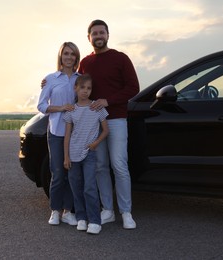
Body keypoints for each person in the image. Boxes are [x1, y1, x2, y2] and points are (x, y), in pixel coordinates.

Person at [78, 19, 140, 229]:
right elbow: (77, 86)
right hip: (94, 124)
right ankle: (108, 210)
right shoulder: (85, 63)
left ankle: (126, 212)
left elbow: (133, 87)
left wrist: (108, 100)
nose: (98, 36)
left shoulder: (120, 58)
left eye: (101, 32)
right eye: (94, 33)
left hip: (116, 120)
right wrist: (48, 82)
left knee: (119, 165)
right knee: (101, 166)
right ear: (89, 38)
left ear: (108, 35)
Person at [37, 42, 80, 226]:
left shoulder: (81, 79)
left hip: (76, 133)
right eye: (66, 54)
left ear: (76, 58)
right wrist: (61, 108)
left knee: (72, 173)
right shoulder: (51, 79)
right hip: (56, 132)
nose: (69, 57)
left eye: (72, 54)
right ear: (60, 56)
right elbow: (41, 106)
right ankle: (55, 210)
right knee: (57, 173)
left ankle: (68, 211)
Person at [63, 74, 109, 235]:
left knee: (89, 187)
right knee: (76, 187)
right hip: (73, 155)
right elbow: (67, 136)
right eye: (82, 87)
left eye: (89, 88)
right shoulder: (71, 111)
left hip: (89, 153)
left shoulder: (97, 108)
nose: (85, 91)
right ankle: (81, 218)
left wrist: (96, 143)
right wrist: (66, 157)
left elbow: (106, 130)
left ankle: (95, 220)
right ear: (75, 88)